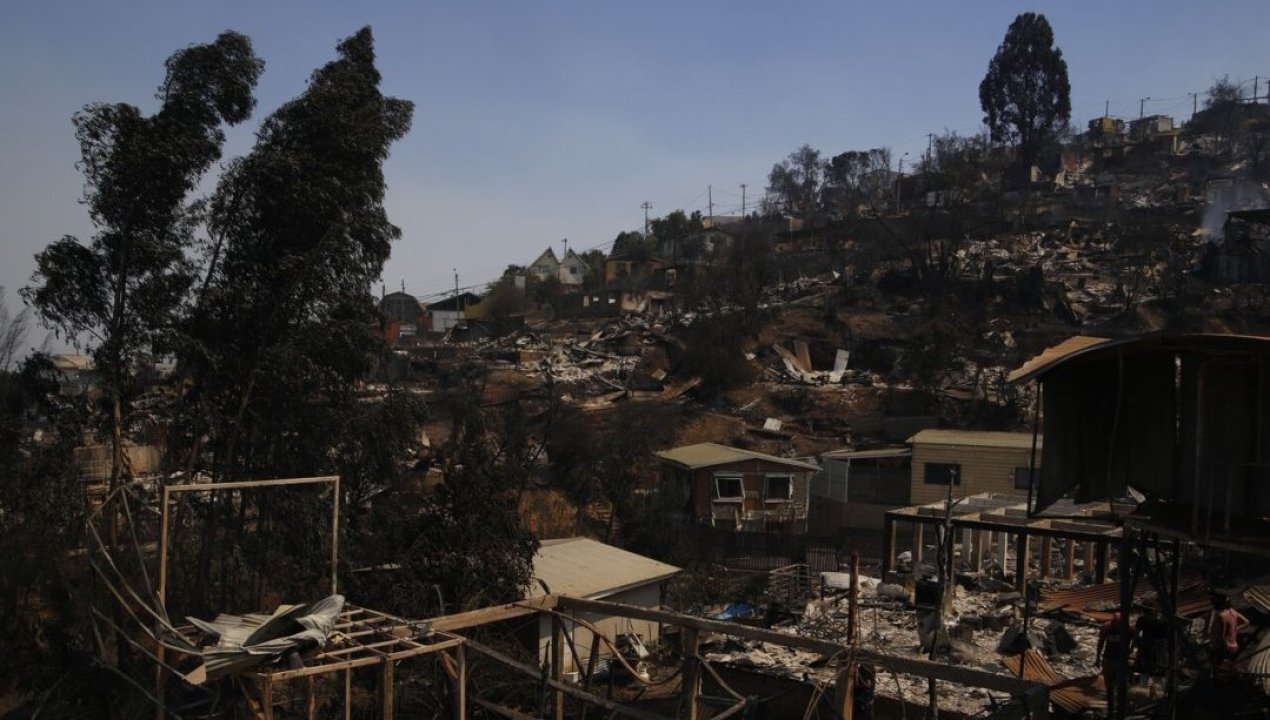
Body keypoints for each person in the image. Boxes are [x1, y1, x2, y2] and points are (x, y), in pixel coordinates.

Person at [1097, 612, 1127, 717]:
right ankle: (1111, 710)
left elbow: (1135, 638)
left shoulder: (1127, 629)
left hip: (1118, 661)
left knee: (1118, 687)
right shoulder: (1107, 627)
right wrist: (1097, 658)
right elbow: (1100, 642)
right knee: (1110, 687)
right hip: (1109, 660)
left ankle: (1117, 709)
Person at [1210, 594, 1250, 673]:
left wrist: (1213, 645)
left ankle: (1215, 678)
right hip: (1234, 646)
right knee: (1228, 666)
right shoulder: (1233, 612)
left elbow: (1222, 636)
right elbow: (1247, 622)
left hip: (1225, 647)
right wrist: (1235, 629)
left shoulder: (1221, 616)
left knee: (1215, 664)